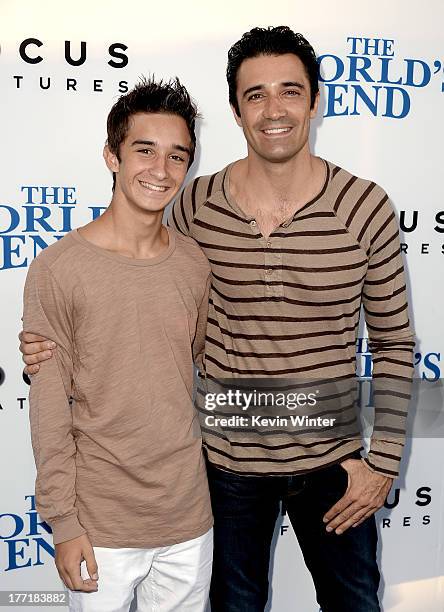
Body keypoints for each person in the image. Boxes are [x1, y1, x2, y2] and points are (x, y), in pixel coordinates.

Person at [21, 27, 414, 612]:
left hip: (334, 462)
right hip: (225, 467)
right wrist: (50, 347)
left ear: (315, 100)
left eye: (289, 91)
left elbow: (395, 343)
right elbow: (137, 284)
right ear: (235, 110)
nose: (273, 109)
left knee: (355, 603)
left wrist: (381, 462)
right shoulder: (193, 203)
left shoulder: (366, 206)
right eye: (255, 95)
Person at [21, 77, 213, 612]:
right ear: (112, 156)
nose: (161, 170)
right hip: (101, 522)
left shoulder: (195, 263)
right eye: (144, 150)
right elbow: (48, 408)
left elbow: (193, 368)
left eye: (177, 156)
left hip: (188, 517)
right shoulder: (57, 269)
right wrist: (63, 523)